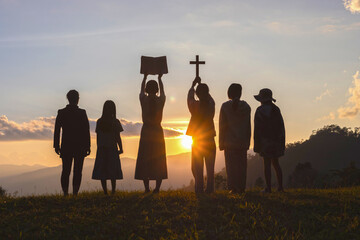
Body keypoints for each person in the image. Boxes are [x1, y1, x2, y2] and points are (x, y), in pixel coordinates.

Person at [53, 90, 90, 196]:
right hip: (80, 146)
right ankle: (75, 193)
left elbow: (57, 130)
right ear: (78, 99)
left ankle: (65, 193)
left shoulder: (62, 112)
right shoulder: (82, 113)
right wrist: (88, 146)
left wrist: (56, 145)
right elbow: (86, 131)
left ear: (68, 98)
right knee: (78, 171)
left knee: (65, 171)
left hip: (66, 145)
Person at [135, 73, 167, 193]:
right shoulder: (160, 100)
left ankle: (147, 188)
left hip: (147, 131)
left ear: (147, 89)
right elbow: (163, 92)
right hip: (157, 131)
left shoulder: (144, 100)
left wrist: (144, 77)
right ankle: (157, 188)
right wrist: (160, 79)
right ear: (157, 89)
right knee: (159, 158)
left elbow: (141, 91)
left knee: (145, 157)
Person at [219, 83, 251, 193]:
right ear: (240, 93)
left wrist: (221, 143)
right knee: (242, 166)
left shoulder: (225, 106)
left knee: (231, 167)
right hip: (242, 141)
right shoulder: (246, 107)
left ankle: (232, 188)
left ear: (229, 93)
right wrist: (248, 142)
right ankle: (241, 187)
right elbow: (248, 126)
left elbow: (222, 126)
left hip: (229, 142)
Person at [187, 76, 216, 193]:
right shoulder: (211, 105)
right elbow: (211, 99)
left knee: (197, 168)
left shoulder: (195, 106)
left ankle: (199, 189)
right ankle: (210, 189)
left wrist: (193, 86)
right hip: (209, 139)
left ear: (197, 94)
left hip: (197, 140)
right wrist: (203, 90)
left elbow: (189, 99)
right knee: (210, 168)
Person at [254, 88, 285, 193]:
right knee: (276, 163)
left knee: (266, 164)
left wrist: (257, 144)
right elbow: (281, 127)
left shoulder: (260, 110)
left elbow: (257, 129)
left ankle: (268, 188)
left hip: (265, 141)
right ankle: (280, 187)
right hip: (276, 140)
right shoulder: (276, 109)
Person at [92, 100, 124, 195]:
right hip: (112, 148)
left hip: (102, 148)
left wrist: (99, 147)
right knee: (113, 170)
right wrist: (121, 148)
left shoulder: (99, 121)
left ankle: (105, 191)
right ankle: (113, 191)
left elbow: (98, 137)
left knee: (103, 170)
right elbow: (118, 137)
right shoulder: (115, 122)